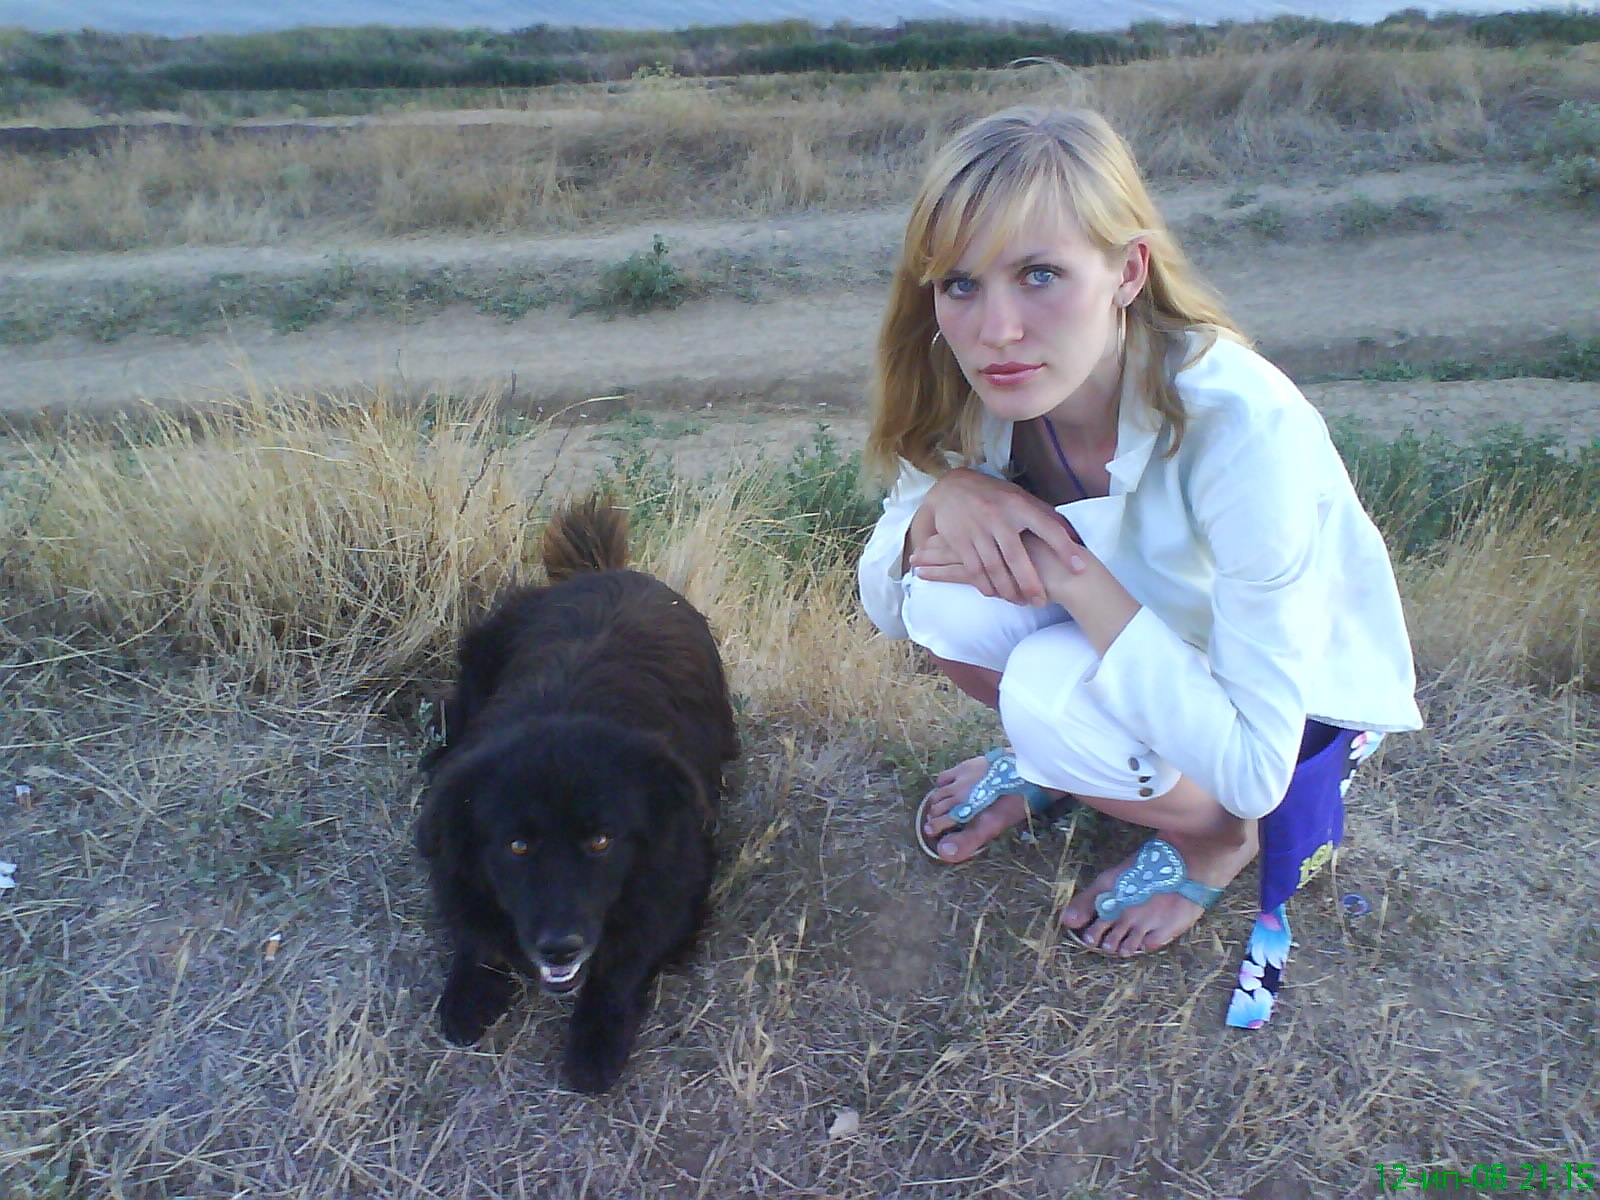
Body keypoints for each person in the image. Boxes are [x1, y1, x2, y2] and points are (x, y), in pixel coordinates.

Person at [857, 106, 1423, 1027]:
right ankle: (1062, 764)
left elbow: (1255, 767)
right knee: (949, 599)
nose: (997, 329)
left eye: (1040, 274)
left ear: (1128, 271)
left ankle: (1212, 845)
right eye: (960, 283)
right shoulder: (974, 387)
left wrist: (1069, 573)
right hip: (1135, 636)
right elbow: (890, 601)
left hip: (1268, 694)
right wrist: (939, 504)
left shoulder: (1241, 427)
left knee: (1048, 693)